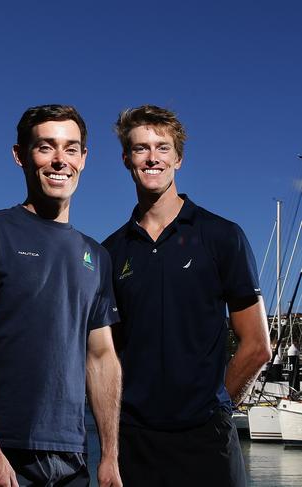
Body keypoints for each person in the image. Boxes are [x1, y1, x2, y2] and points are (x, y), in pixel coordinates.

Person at [0, 104, 122, 487]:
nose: (60, 160)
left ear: (84, 159)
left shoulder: (97, 257)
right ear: (20, 155)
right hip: (2, 454)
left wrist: (109, 457)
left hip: (73, 459)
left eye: (71, 149)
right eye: (46, 147)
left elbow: (102, 356)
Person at [102, 105, 271, 487]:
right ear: (126, 158)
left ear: (178, 158)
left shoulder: (222, 236)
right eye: (141, 148)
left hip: (207, 442)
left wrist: (217, 407)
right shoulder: (110, 252)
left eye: (162, 148)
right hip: (134, 444)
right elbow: (104, 354)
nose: (152, 157)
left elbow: (258, 346)